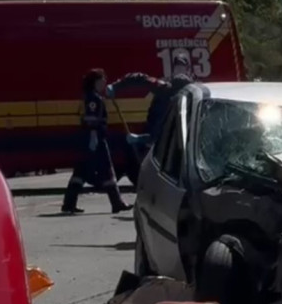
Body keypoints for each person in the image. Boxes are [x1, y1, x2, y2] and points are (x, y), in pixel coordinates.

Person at [61, 68, 132, 214]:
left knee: (81, 172)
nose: (104, 82)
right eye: (102, 80)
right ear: (95, 82)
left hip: (91, 139)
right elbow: (91, 120)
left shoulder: (91, 97)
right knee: (106, 169)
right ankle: (116, 203)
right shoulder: (93, 99)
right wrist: (93, 137)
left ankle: (69, 204)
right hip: (95, 139)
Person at [106, 52, 195, 151]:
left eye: (182, 67)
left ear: (188, 70)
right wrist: (116, 85)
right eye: (178, 67)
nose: (180, 71)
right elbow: (140, 78)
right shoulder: (164, 87)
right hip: (161, 144)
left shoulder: (196, 91)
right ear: (173, 70)